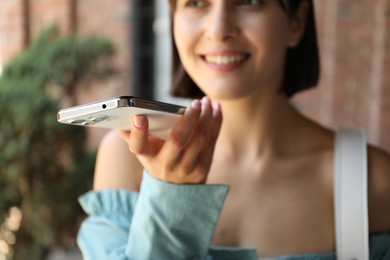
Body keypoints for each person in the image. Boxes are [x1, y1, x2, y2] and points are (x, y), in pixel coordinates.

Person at [77, 0, 390, 259]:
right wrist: (170, 196)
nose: (218, 30)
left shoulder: (371, 180)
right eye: (196, 3)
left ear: (296, 21)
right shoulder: (126, 156)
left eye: (249, 1)